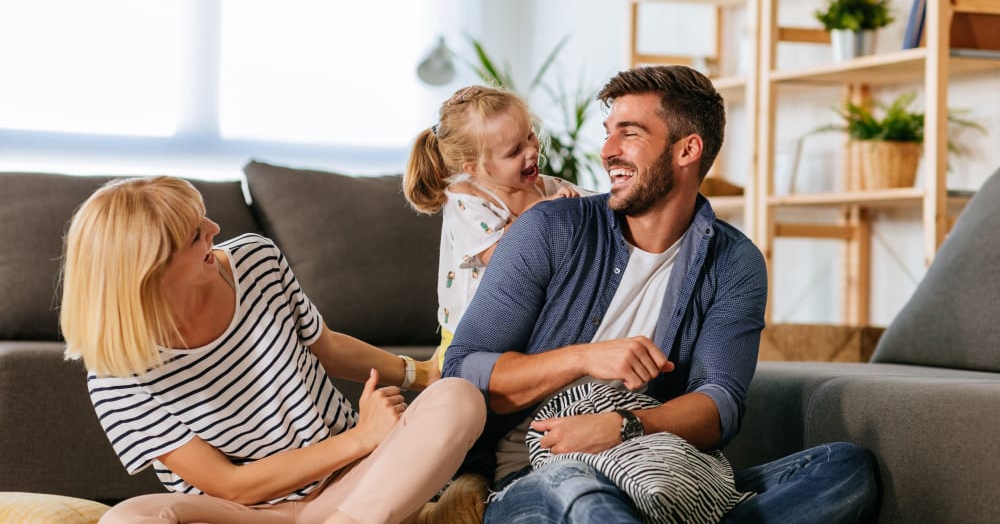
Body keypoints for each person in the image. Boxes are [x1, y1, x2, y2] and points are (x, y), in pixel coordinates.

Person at [443, 65, 879, 523]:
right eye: (608, 133)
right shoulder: (549, 228)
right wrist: (584, 358)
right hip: (536, 475)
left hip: (656, 474)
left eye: (628, 135)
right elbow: (465, 369)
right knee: (581, 492)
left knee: (844, 469)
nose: (607, 151)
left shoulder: (734, 263)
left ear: (688, 149)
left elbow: (720, 405)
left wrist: (624, 427)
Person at [59, 176, 486, 524]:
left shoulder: (254, 260)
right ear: (151, 271)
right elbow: (230, 485)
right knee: (127, 519)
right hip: (240, 513)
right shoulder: (115, 379)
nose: (214, 230)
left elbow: (327, 345)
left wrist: (423, 374)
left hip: (353, 484)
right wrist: (361, 437)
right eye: (195, 234)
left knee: (459, 399)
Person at [403, 85, 589, 370]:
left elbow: (600, 209)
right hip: (471, 334)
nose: (532, 150)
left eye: (530, 135)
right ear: (475, 167)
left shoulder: (549, 188)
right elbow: (504, 255)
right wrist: (546, 212)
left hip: (527, 326)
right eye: (515, 150)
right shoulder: (465, 198)